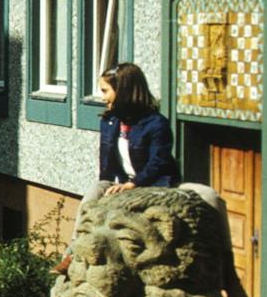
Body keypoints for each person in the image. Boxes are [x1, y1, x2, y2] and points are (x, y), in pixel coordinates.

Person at [57, 62, 179, 273]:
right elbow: (106, 164)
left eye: (105, 91)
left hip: (152, 184)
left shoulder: (156, 124)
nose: (102, 97)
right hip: (122, 183)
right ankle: (73, 251)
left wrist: (134, 184)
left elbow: (159, 162)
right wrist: (106, 190)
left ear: (123, 90)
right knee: (95, 191)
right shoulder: (110, 121)